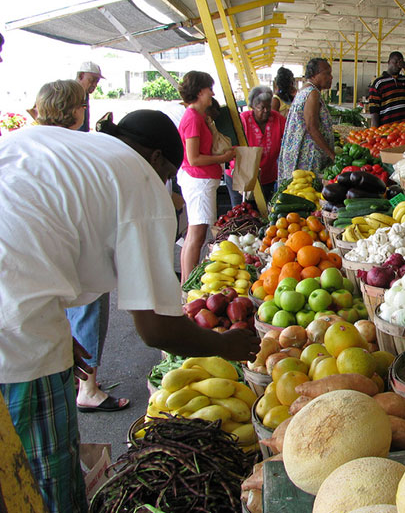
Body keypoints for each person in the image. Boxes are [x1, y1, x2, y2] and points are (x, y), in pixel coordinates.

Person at [0, 109, 260, 512]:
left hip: (17, 303)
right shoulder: (139, 179)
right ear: (157, 159)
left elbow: (27, 233)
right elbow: (156, 330)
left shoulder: (58, 143)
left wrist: (51, 322)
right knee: (42, 477)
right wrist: (224, 344)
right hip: (16, 331)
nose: (166, 185)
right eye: (168, 174)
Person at [33, 79, 129, 414]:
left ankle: (69, 377)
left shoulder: (30, 142)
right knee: (88, 307)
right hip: (73, 244)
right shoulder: (78, 146)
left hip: (36, 248)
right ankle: (88, 387)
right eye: (81, 106)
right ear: (75, 111)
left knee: (53, 313)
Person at [177, 71, 236, 283]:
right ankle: (187, 285)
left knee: (193, 234)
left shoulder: (199, 116)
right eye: (209, 89)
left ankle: (186, 282)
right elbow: (193, 158)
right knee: (197, 235)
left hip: (200, 181)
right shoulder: (193, 118)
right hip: (199, 181)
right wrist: (223, 157)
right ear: (200, 91)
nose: (212, 93)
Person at [277, 58, 336, 182]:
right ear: (314, 75)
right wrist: (331, 154)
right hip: (308, 156)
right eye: (327, 73)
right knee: (306, 189)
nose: (331, 77)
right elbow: (311, 127)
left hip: (300, 153)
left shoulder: (304, 90)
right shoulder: (312, 93)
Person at [233, 86, 286, 204]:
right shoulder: (243, 120)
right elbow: (232, 147)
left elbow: (289, 137)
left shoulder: (278, 119)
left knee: (263, 213)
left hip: (267, 175)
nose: (266, 111)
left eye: (268, 106)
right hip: (243, 175)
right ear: (252, 106)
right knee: (242, 212)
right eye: (261, 108)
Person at [368, 51, 405, 127]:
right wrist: (374, 131)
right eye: (396, 62)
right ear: (388, 62)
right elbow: (374, 110)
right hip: (388, 129)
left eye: (400, 62)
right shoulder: (379, 83)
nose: (398, 65)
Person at [75, 61, 103, 132]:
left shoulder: (85, 94)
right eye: (92, 80)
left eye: (97, 82)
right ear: (81, 76)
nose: (94, 85)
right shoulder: (70, 93)